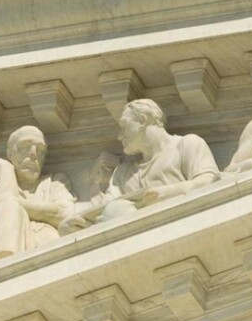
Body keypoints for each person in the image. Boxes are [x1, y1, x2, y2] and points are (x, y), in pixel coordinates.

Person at [62, 98, 218, 230]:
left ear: (143, 120)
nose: (118, 136)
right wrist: (74, 224)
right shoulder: (123, 172)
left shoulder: (186, 144)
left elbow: (210, 181)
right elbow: (104, 212)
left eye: (123, 126)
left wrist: (166, 192)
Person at [0, 125, 75, 269]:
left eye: (40, 150)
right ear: (10, 154)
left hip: (48, 258)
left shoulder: (54, 183)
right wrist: (6, 170)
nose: (33, 154)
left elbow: (65, 213)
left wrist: (15, 203)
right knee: (9, 208)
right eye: (25, 147)